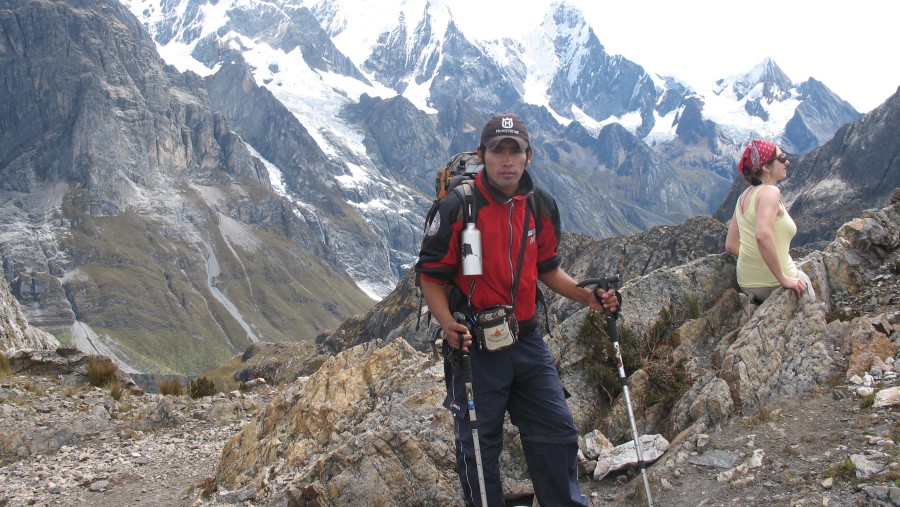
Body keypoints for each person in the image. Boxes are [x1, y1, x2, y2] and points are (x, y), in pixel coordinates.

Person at [415, 113, 619, 506]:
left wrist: (587, 297)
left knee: (557, 432)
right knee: (478, 447)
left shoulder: (538, 205)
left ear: (529, 155)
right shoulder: (458, 207)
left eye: (515, 150)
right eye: (498, 150)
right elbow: (431, 278)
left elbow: (548, 269)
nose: (507, 159)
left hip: (526, 340)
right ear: (482, 155)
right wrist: (446, 324)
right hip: (474, 347)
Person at [725, 139, 813, 302]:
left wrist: (755, 259)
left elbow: (730, 245)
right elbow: (762, 235)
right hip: (772, 283)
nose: (786, 162)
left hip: (746, 282)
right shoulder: (770, 192)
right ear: (766, 167)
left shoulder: (743, 197)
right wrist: (783, 279)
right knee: (807, 283)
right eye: (781, 158)